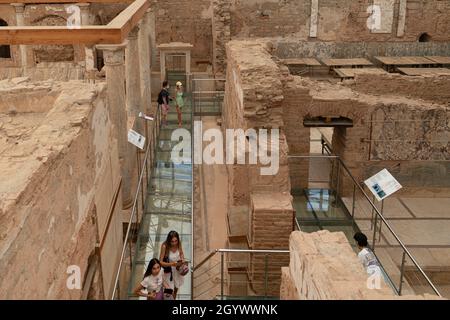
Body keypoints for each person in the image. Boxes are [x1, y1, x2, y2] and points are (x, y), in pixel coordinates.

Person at [159, 230, 186, 299]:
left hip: (177, 269)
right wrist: (172, 264)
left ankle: (175, 296)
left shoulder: (179, 243)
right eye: (172, 241)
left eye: (176, 241)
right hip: (169, 270)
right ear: (169, 240)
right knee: (168, 290)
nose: (174, 243)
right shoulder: (164, 246)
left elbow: (181, 253)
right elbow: (160, 262)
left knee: (176, 285)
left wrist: (182, 259)